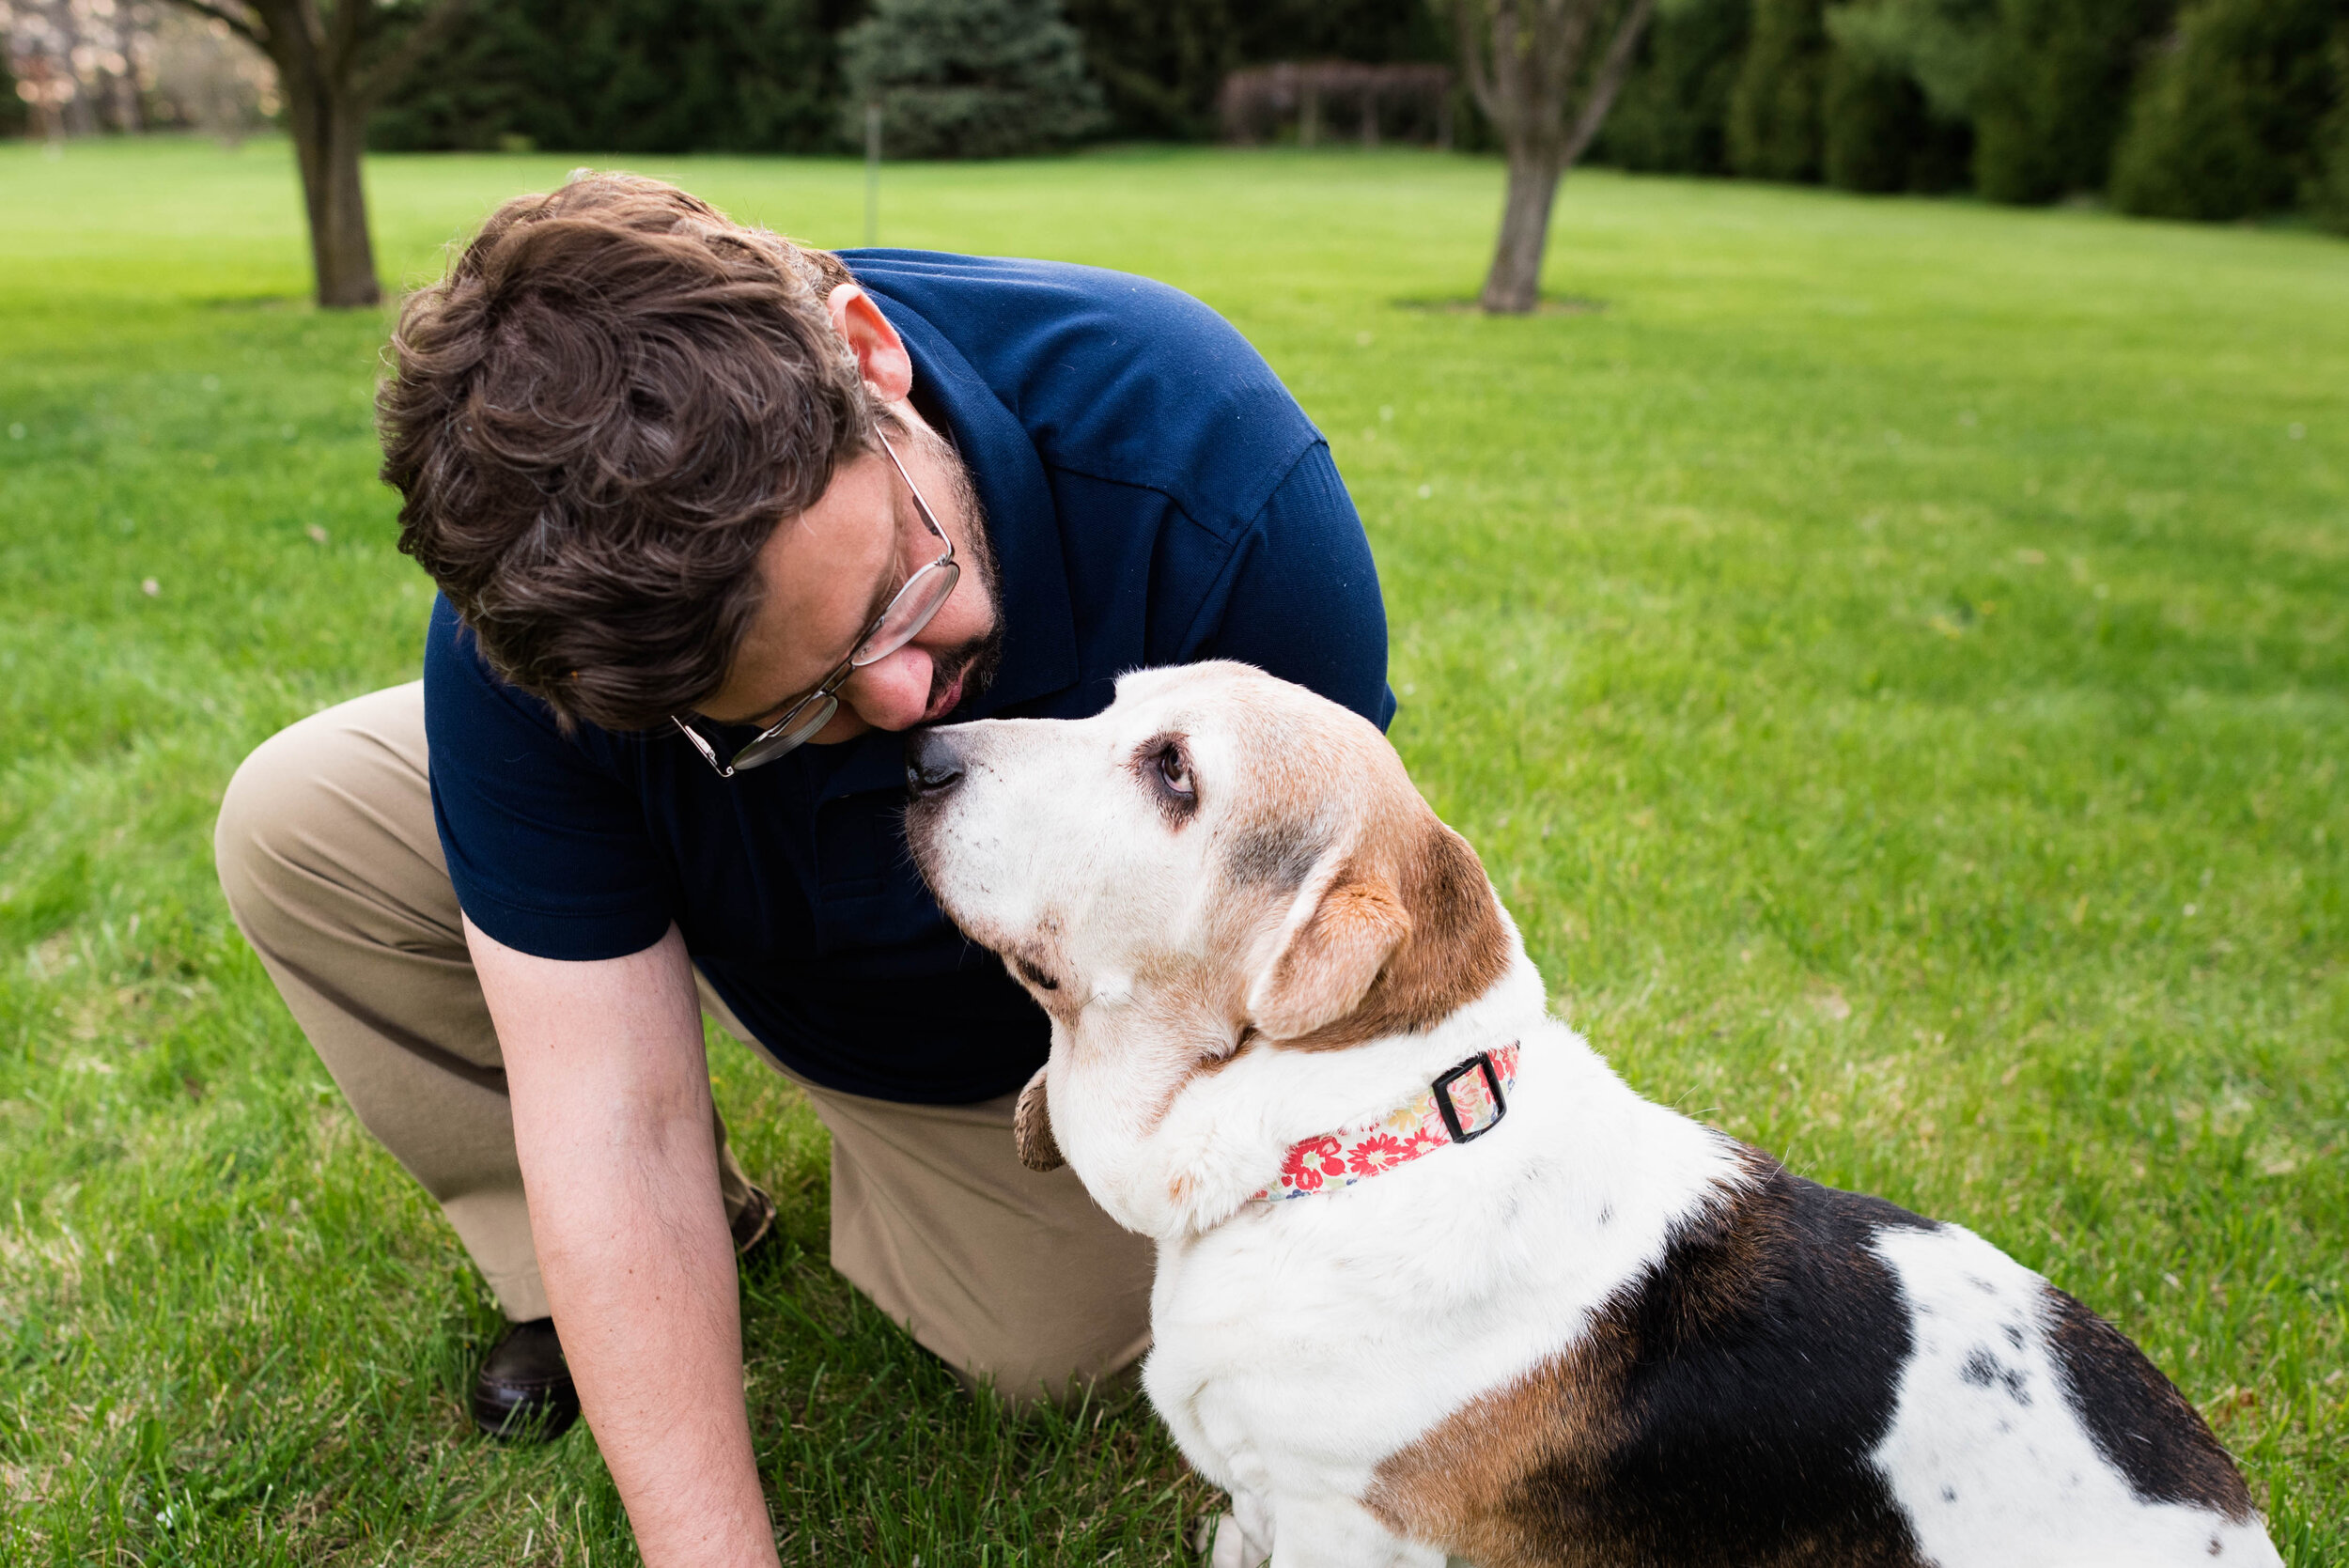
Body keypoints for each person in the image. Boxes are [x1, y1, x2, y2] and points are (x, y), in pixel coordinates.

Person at [212, 172, 1391, 1566]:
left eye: (899, 586)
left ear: (870, 356)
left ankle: (912, 1162)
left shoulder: (1205, 467)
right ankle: (605, 1264)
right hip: (729, 906)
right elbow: (615, 1121)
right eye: (790, 709)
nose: (903, 706)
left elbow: (1321, 989)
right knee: (297, 822)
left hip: (1012, 1043)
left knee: (1050, 1347)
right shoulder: (546, 638)